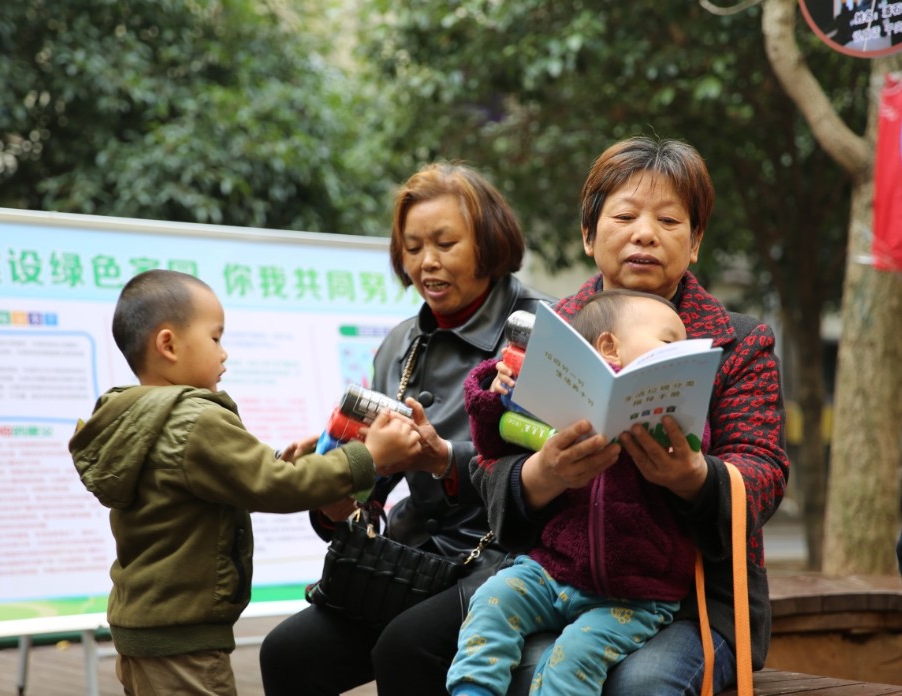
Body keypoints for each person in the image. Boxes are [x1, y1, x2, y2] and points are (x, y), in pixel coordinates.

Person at [463, 136, 789, 696]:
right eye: (624, 216)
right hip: (552, 575)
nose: (645, 233)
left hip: (690, 599)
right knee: (435, 646)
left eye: (669, 220)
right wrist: (544, 473)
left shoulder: (738, 342)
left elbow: (765, 471)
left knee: (640, 685)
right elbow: (489, 461)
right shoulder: (549, 334)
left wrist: (695, 478)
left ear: (695, 242)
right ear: (589, 235)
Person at [260, 162, 554, 695]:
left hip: (511, 558)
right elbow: (369, 499)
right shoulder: (400, 343)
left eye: (445, 243)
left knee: (404, 646)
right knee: (286, 653)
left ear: (489, 242)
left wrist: (441, 460)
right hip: (418, 554)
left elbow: (551, 467)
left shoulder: (545, 328)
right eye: (412, 247)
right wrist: (332, 482)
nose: (426, 262)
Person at [68, 269, 422, 696]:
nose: (224, 354)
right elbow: (276, 487)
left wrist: (283, 462)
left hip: (143, 626)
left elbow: (225, 482)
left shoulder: (138, 418)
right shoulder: (194, 419)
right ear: (168, 345)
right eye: (215, 338)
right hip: (183, 639)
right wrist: (370, 456)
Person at [451, 289, 700, 696]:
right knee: (493, 600)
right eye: (670, 342)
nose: (681, 353)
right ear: (609, 346)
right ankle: (473, 691)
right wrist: (496, 395)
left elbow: (696, 445)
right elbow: (493, 449)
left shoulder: (675, 410)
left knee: (572, 658)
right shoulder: (564, 392)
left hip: (633, 595)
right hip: (552, 570)